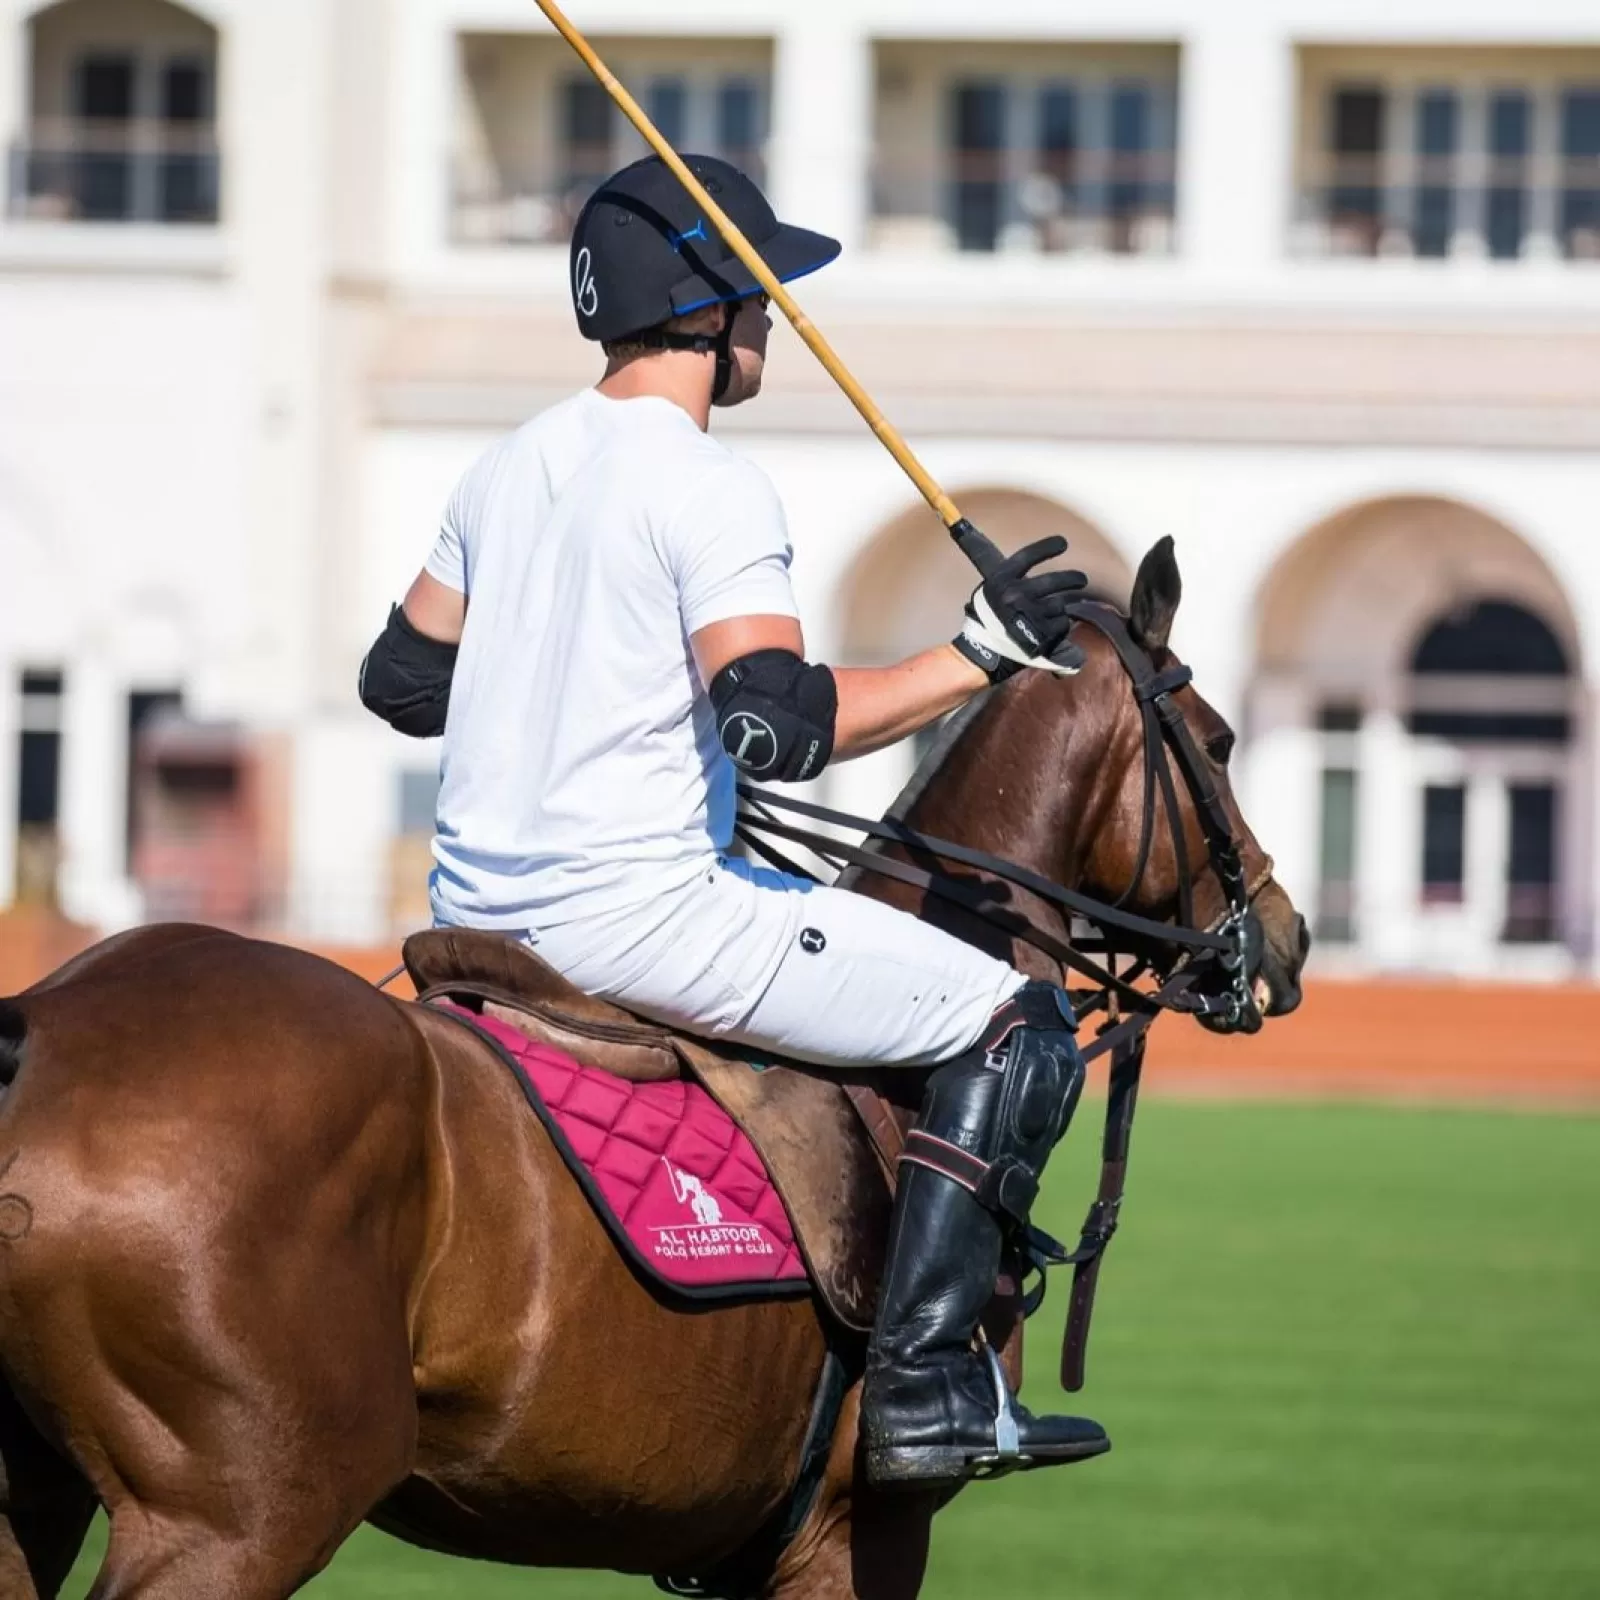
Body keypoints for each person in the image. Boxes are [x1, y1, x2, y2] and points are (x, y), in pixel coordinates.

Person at [359, 154, 1108, 1490]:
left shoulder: (506, 464)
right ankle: (932, 1385)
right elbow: (782, 727)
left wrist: (579, 685)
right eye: (759, 296)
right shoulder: (710, 485)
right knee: (1020, 1021)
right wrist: (978, 656)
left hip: (467, 925)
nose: (772, 322)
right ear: (705, 309)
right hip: (640, 924)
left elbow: (402, 682)